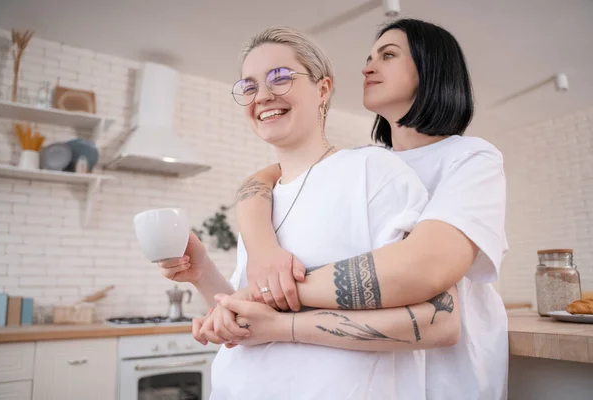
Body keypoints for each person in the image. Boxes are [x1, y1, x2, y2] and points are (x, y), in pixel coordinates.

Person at [159, 25, 462, 400]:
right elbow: (250, 314)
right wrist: (204, 274)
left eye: (280, 78)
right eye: (250, 86)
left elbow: (441, 323)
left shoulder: (373, 171)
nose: (263, 96)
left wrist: (284, 326)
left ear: (323, 89)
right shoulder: (261, 202)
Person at [227, 19, 509, 400]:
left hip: (451, 365)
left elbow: (425, 266)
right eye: (368, 57)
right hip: (380, 364)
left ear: (432, 69)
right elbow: (262, 180)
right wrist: (263, 251)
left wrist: (270, 293)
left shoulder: (470, 158)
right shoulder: (367, 161)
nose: (366, 67)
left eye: (388, 55)